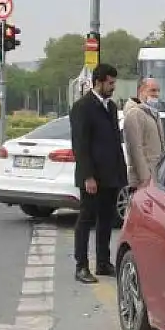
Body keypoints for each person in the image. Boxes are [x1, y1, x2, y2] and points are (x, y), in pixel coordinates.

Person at [69, 63, 128, 284]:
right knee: (86, 219)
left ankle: (103, 262)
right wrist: (88, 177)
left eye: (114, 83)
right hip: (92, 177)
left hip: (111, 176)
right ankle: (81, 266)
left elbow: (114, 142)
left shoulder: (111, 107)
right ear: (99, 81)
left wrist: (122, 176)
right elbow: (80, 145)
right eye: (110, 83)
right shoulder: (82, 107)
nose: (113, 87)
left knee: (106, 220)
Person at [123, 78, 165, 188]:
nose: (156, 94)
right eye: (152, 90)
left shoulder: (152, 112)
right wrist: (145, 179)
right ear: (141, 91)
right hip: (143, 181)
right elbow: (135, 149)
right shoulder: (135, 113)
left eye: (158, 91)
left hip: (154, 176)